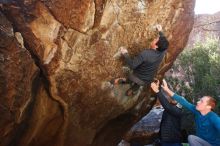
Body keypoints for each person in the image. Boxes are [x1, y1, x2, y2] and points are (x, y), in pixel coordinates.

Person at [110, 24, 169, 96]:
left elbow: (132, 65)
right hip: (147, 80)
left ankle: (123, 81)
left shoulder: (146, 54)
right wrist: (160, 31)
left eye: (156, 40)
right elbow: (164, 40)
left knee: (131, 80)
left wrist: (125, 53)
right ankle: (132, 90)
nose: (154, 39)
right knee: (139, 83)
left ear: (156, 46)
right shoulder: (162, 51)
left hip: (136, 77)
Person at [160, 79, 220, 146]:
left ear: (209, 107)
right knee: (191, 138)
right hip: (201, 143)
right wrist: (166, 89)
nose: (198, 102)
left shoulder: (214, 118)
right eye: (199, 100)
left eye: (201, 101)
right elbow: (183, 101)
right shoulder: (197, 111)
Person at [151, 80, 183, 146]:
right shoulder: (170, 108)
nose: (173, 98)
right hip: (165, 140)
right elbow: (166, 102)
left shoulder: (177, 111)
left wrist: (157, 91)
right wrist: (159, 87)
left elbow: (166, 105)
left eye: (177, 98)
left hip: (173, 142)